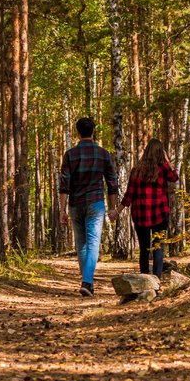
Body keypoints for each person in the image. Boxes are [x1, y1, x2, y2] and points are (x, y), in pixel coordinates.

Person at [59, 117, 119, 297]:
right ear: (93, 132)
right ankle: (87, 282)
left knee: (81, 243)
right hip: (95, 203)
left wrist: (62, 210)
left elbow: (64, 185)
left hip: (75, 204)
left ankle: (87, 282)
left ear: (77, 132)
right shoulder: (103, 154)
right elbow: (112, 183)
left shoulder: (70, 154)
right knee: (92, 243)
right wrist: (112, 207)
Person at [112, 139, 178, 279]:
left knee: (144, 248)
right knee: (158, 247)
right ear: (161, 153)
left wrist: (117, 211)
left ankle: (144, 280)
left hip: (140, 215)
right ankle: (157, 280)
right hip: (160, 214)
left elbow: (129, 195)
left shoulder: (137, 169)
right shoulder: (163, 168)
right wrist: (167, 161)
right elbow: (174, 177)